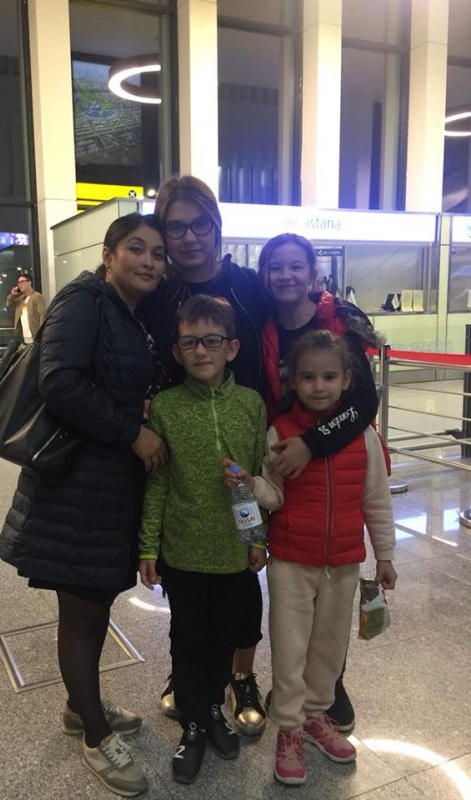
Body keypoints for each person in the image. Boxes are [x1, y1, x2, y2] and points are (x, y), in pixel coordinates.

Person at [0, 213, 168, 798]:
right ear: (109, 254)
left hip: (105, 485)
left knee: (96, 603)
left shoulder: (124, 311)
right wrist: (132, 432)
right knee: (82, 609)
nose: (149, 261)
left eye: (158, 254)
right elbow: (60, 383)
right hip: (76, 485)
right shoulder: (84, 299)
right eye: (136, 248)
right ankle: (95, 735)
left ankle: (81, 705)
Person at [225, 329, 397, 786]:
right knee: (291, 647)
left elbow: (377, 499)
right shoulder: (281, 432)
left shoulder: (362, 436)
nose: (319, 386)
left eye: (329, 377)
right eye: (308, 377)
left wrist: (385, 555)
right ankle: (289, 728)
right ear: (293, 381)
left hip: (343, 562)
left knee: (328, 647)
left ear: (346, 380)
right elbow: (275, 494)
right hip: (291, 563)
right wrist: (250, 485)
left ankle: (317, 716)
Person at [137, 175, 270, 736]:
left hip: (244, 430)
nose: (188, 237)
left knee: (242, 585)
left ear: (216, 227)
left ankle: (241, 676)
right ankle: (191, 675)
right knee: (190, 596)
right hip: (175, 435)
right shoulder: (158, 293)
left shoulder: (247, 286)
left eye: (199, 225)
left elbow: (291, 330)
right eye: (175, 227)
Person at [257, 231, 386, 731]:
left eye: (295, 266)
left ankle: (327, 690)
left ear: (312, 273)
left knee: (332, 609)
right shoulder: (266, 326)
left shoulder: (339, 320)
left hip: (331, 454)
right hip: (288, 466)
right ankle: (295, 694)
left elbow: (363, 402)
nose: (285, 276)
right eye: (275, 267)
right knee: (294, 608)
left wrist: (312, 444)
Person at [6, 272, 47, 344]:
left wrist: (41, 334)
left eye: (22, 281)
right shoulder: (21, 298)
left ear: (29, 283)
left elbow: (43, 315)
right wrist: (12, 295)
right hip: (24, 337)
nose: (20, 284)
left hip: (35, 336)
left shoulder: (37, 296)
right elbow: (9, 306)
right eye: (19, 283)